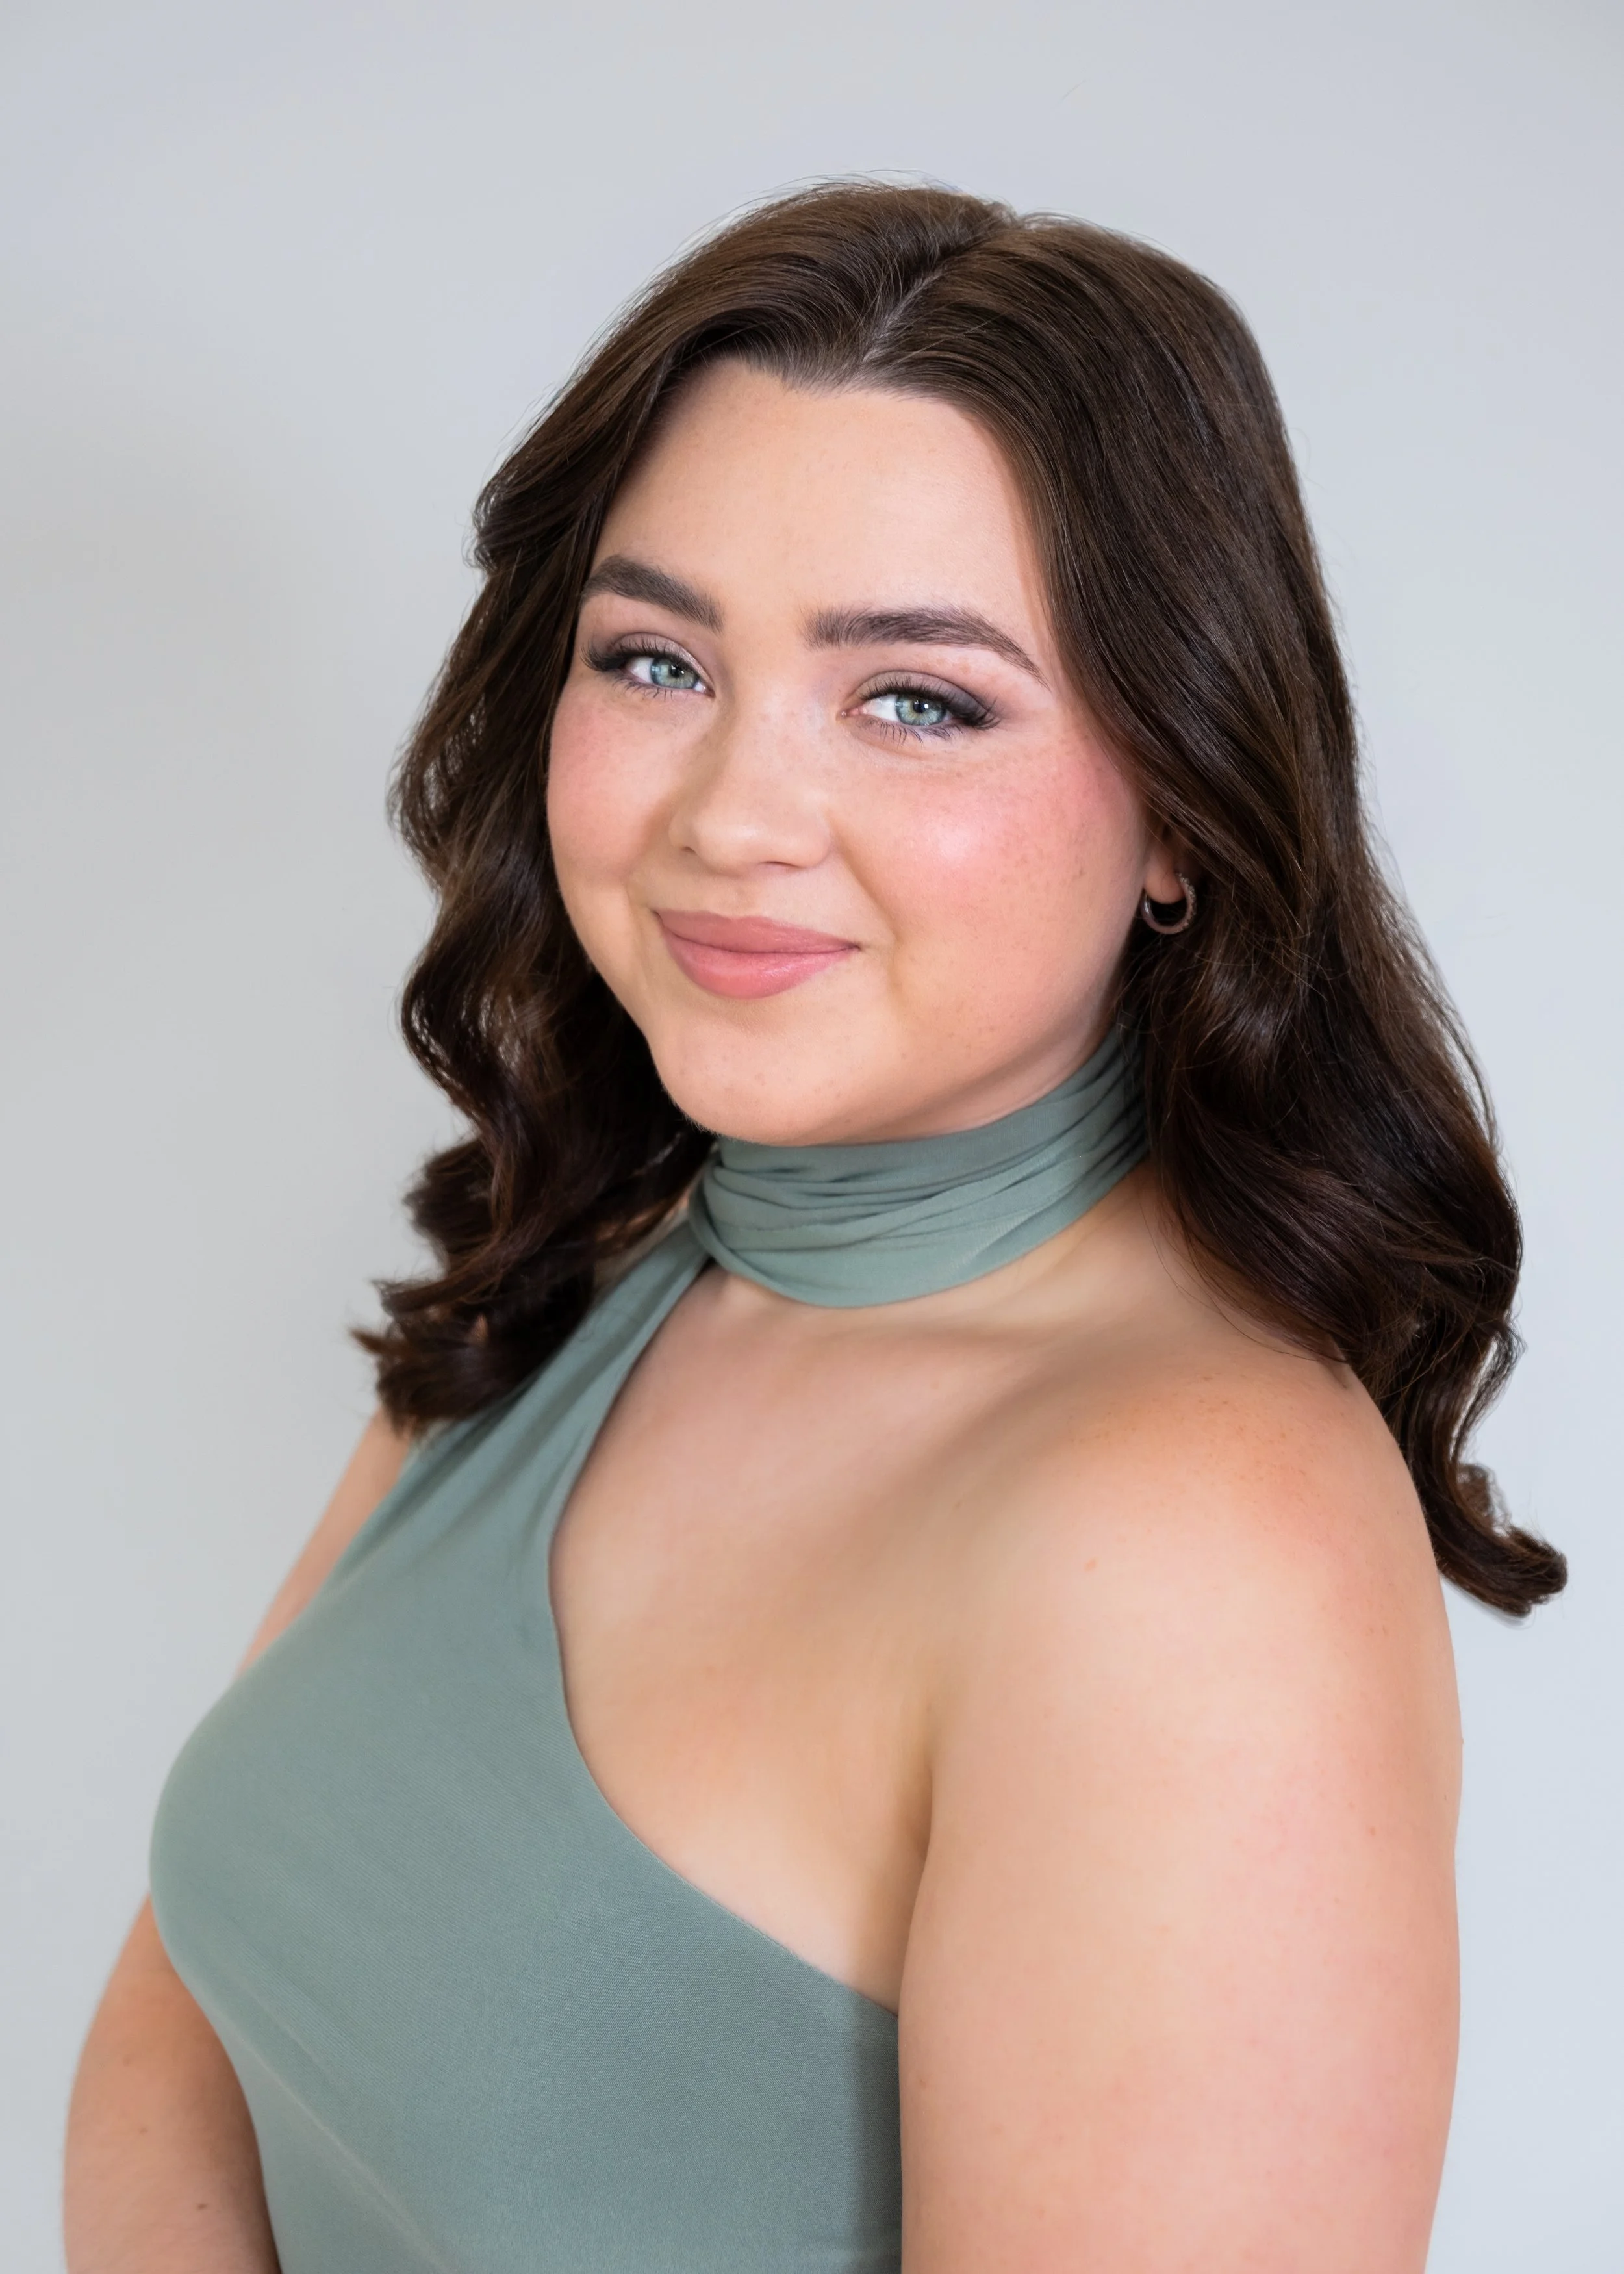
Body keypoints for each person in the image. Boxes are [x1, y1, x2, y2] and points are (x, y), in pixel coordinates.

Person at [64, 181, 1564, 2273]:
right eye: (657, 659)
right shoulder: (592, 1264)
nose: (729, 815)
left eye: (917, 698)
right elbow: (186, 2016)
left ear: (1181, 814)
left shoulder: (1194, 1541)